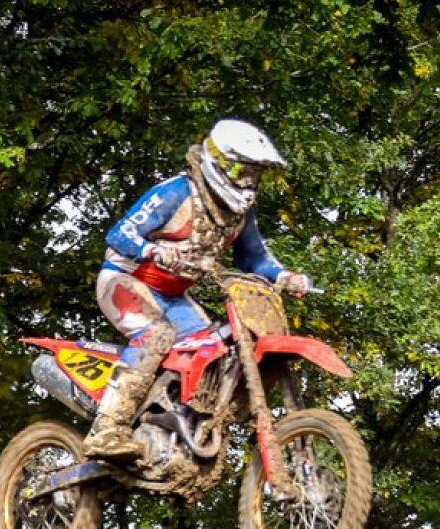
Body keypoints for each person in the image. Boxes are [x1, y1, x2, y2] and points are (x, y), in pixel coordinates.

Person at [84, 119, 312, 461]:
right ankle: (107, 430)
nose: (249, 181)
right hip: (126, 279)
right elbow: (120, 233)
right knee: (156, 336)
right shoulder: (177, 192)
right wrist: (151, 250)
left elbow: (254, 258)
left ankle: (177, 426)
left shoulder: (238, 215)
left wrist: (285, 276)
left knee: (213, 351)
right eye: (243, 170)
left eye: (255, 173)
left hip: (172, 295)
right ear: (220, 162)